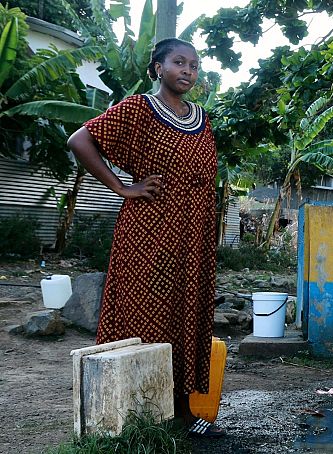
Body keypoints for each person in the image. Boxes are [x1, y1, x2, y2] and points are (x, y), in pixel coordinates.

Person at [67, 38, 224, 438]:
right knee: (145, 313)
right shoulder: (138, 108)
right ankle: (138, 413)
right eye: (178, 62)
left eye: (194, 64)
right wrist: (123, 187)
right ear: (158, 68)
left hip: (194, 237)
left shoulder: (201, 117)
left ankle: (183, 410)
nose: (188, 71)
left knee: (188, 313)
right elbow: (80, 141)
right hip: (148, 235)